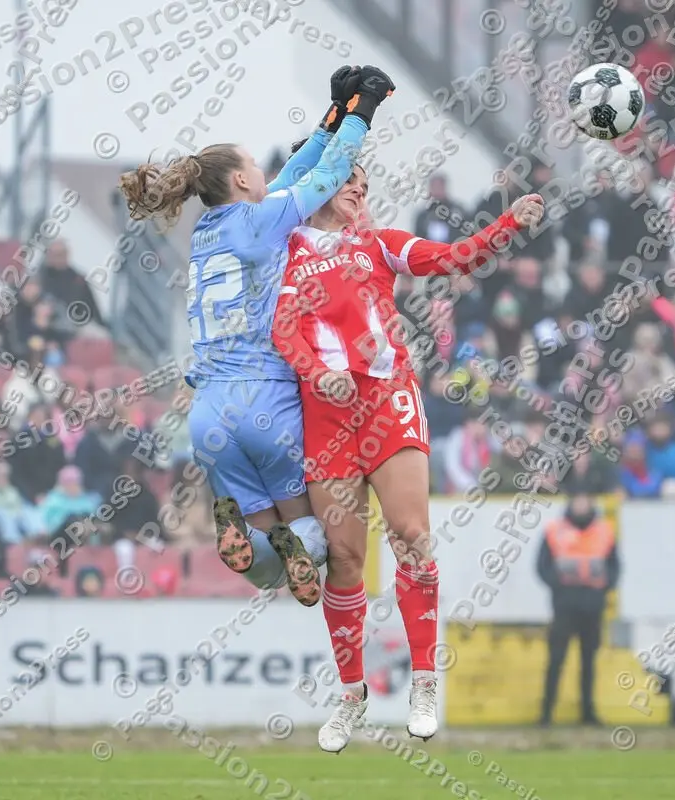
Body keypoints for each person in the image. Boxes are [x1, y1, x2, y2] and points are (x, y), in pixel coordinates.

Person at [271, 159, 544, 751]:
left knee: (412, 534)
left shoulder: (379, 243)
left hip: (385, 400)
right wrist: (317, 374)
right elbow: (283, 331)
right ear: (320, 185)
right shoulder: (285, 249)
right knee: (344, 558)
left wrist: (508, 225)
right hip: (325, 414)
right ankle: (352, 695)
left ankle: (423, 681)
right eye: (349, 181)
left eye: (366, 185)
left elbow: (452, 258)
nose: (360, 191)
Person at [118, 64, 396, 607]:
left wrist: (331, 116)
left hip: (209, 412)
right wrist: (362, 113)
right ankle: (283, 545)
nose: (265, 172)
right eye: (253, 166)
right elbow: (326, 175)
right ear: (242, 181)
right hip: (265, 396)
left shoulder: (205, 233)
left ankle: (241, 539)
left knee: (268, 565)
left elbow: (292, 175)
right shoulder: (260, 221)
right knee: (317, 534)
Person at [536, 491, 620, 727]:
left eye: (585, 501)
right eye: (578, 501)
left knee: (589, 661)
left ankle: (587, 712)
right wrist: (559, 586)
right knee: (556, 659)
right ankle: (546, 712)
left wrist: (602, 588)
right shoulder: (555, 530)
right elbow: (542, 566)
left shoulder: (604, 531)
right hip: (564, 605)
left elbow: (614, 567)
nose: (581, 505)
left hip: (592, 605)